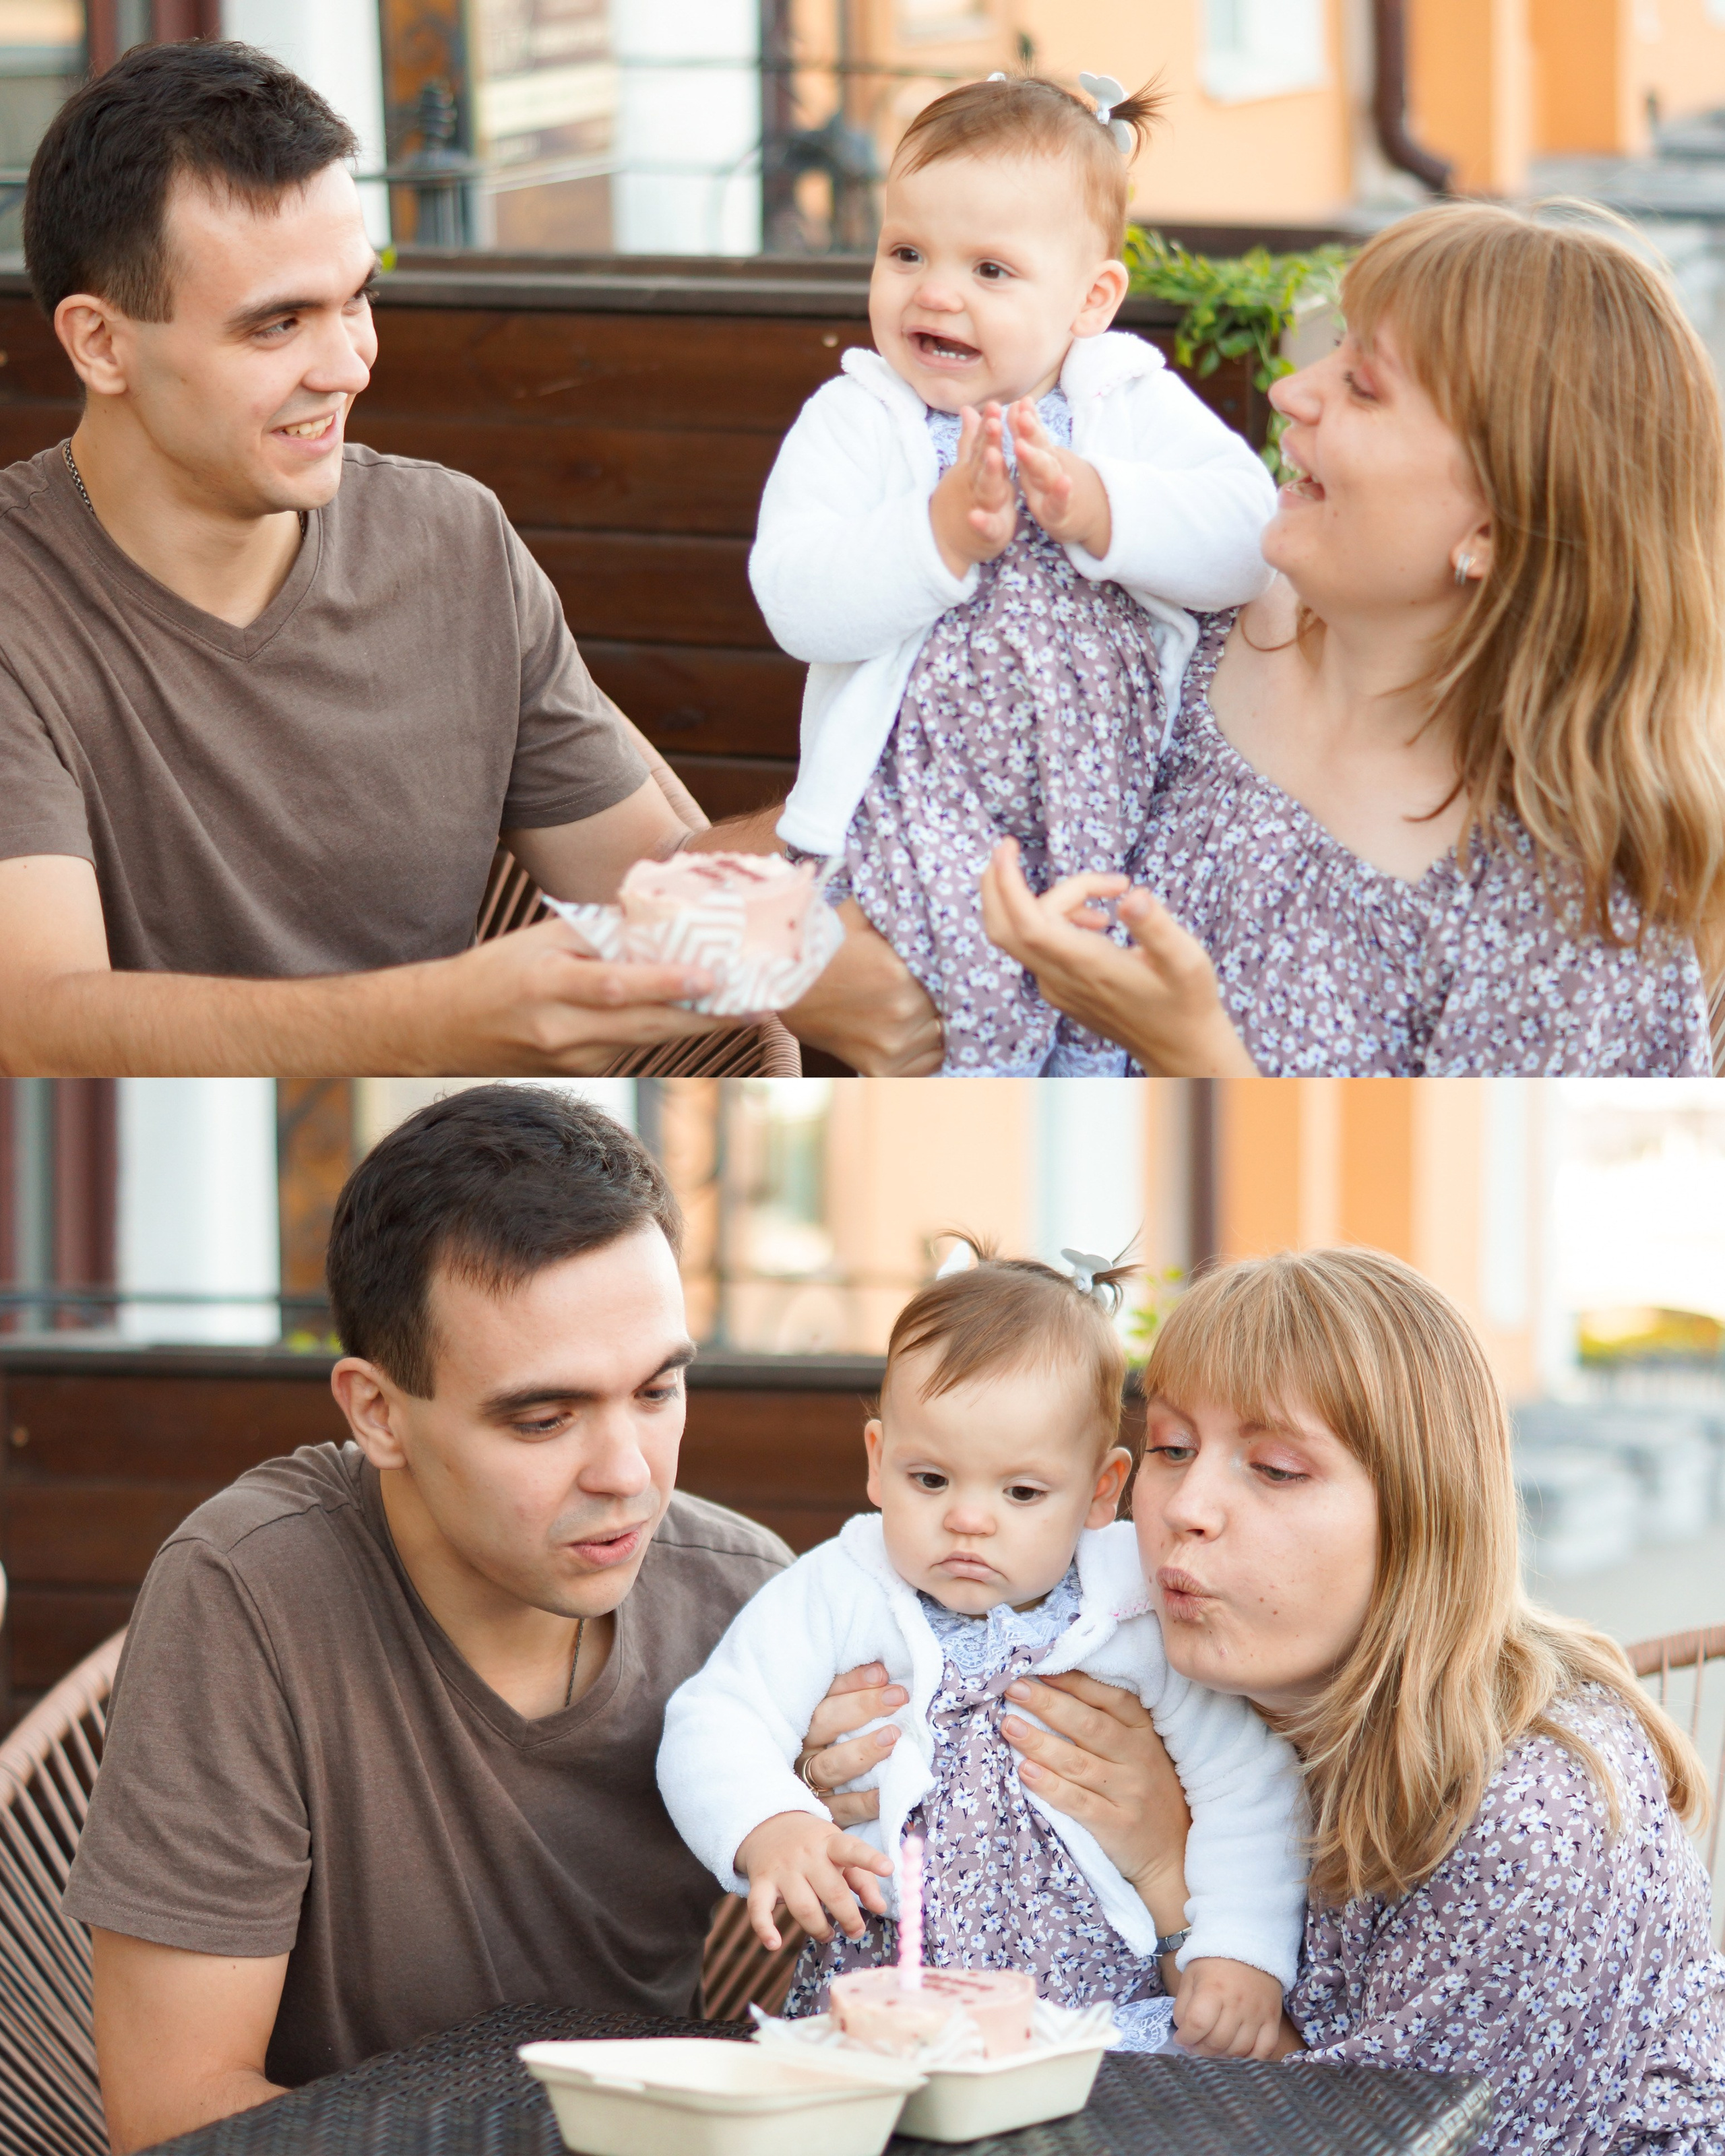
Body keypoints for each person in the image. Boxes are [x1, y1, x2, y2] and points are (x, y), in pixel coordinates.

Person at [0, 42, 938, 1078]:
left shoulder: (452, 540)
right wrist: (462, 1016)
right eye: (277, 325)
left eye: (356, 299)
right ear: (99, 343)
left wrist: (884, 799)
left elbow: (652, 886)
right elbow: (40, 1023)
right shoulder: (19, 606)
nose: (348, 362)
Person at [62, 1086, 792, 2154]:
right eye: (543, 1419)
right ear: (377, 1413)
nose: (631, 1476)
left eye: (656, 1392)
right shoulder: (250, 1591)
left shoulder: (741, 1601)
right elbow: (173, 2114)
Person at [980, 1247, 1725, 2153]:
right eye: (1172, 1449)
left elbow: (1366, 2140)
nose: (1187, 1507)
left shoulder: (1526, 1821)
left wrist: (1174, 1876)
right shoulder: (1217, 1680)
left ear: (1423, 1512)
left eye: (1277, 1469)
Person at [980, 201, 1725, 1076]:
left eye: (1364, 386)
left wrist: (1193, 1056)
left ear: (1496, 526)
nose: (1289, 392)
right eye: (1335, 350)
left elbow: (1451, 1212)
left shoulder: (1579, 924)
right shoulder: (1175, 610)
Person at [750, 71, 1278, 1077]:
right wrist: (936, 538)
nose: (935, 291)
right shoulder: (863, 418)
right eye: (906, 253)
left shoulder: (1125, 404)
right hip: (923, 804)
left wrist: (1101, 506)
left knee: (1110, 992)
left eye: (991, 270)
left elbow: (1248, 535)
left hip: (1112, 801)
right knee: (980, 988)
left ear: (1091, 299)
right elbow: (797, 597)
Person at [657, 1244, 1306, 2060]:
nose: (969, 1518)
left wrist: (1238, 1948)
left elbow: (1244, 1783)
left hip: (1092, 2016)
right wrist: (773, 1822)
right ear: (875, 1460)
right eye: (929, 1479)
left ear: (1102, 1489)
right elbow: (718, 1717)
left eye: (1021, 1492)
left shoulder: (1133, 1609)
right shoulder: (840, 1588)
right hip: (890, 2009)